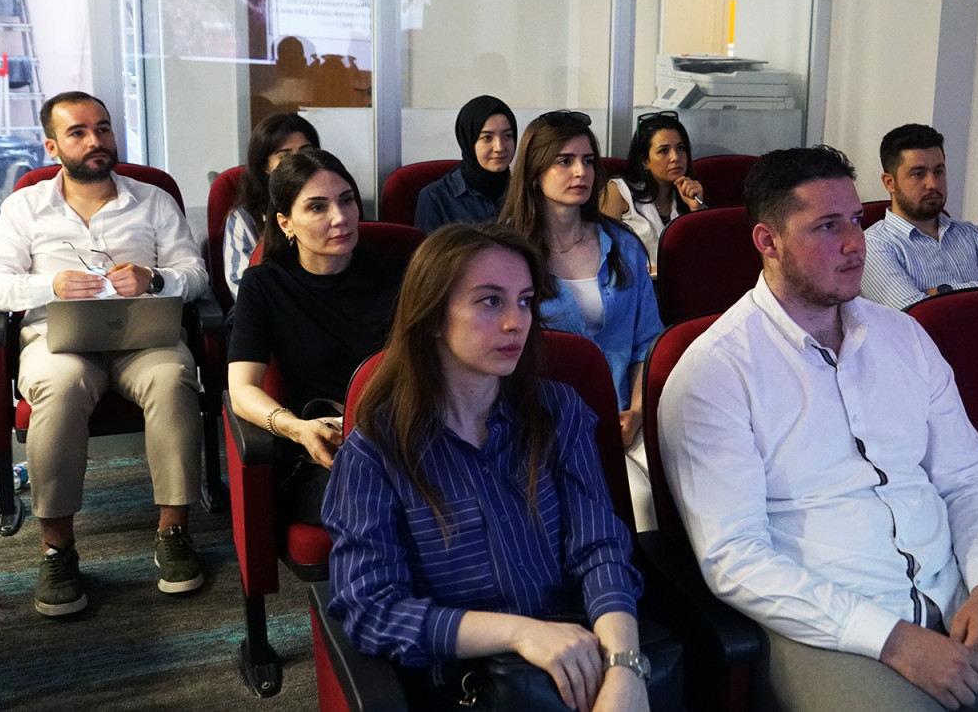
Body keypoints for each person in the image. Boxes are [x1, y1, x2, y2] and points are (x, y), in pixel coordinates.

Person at [658, 145, 978, 711]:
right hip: (835, 629)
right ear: (768, 241)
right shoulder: (716, 372)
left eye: (855, 220)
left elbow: (967, 478)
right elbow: (736, 558)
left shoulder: (904, 336)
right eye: (827, 226)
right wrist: (893, 640)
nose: (854, 243)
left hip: (960, 597)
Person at [324, 224, 652, 712]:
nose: (516, 322)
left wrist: (625, 667)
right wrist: (520, 633)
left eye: (525, 301)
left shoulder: (558, 411)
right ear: (433, 316)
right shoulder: (376, 450)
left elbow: (599, 549)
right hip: (469, 683)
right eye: (490, 301)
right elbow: (371, 609)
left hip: (584, 660)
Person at [0, 91, 211, 616]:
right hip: (59, 341)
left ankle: (174, 532)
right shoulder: (25, 207)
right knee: (57, 388)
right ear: (52, 146)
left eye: (102, 128)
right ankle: (57, 548)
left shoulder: (152, 200)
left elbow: (195, 275)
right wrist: (51, 286)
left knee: (172, 377)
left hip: (142, 335)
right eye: (78, 132)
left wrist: (154, 278)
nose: (95, 140)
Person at [226, 148, 407, 523]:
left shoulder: (400, 272)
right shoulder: (265, 284)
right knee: (373, 504)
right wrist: (296, 429)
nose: (340, 217)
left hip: (402, 438)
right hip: (325, 449)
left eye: (346, 200)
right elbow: (242, 390)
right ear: (286, 223)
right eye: (317, 207)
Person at [502, 111, 662, 530]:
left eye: (588, 160)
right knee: (639, 502)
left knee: (682, 483)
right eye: (565, 161)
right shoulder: (505, 253)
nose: (581, 172)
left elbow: (648, 344)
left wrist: (637, 411)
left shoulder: (623, 245)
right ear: (534, 172)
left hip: (627, 413)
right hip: (545, 423)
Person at [861, 124, 978, 310]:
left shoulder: (971, 234)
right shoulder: (873, 246)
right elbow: (914, 313)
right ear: (889, 183)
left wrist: (940, 292)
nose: (933, 184)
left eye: (938, 172)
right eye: (918, 174)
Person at [224, 112, 322, 299]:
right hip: (270, 308)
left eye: (306, 152)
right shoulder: (245, 218)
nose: (298, 163)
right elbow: (242, 288)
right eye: (284, 157)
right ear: (265, 167)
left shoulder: (335, 205)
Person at [599, 111, 704, 269]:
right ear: (644, 161)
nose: (675, 157)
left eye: (681, 148)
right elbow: (601, 257)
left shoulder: (688, 196)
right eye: (664, 151)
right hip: (635, 282)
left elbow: (703, 256)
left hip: (682, 282)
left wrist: (696, 209)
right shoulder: (619, 191)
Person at [415, 95, 519, 233]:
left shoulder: (525, 191)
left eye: (507, 136)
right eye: (487, 138)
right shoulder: (436, 198)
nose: (499, 147)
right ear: (468, 140)